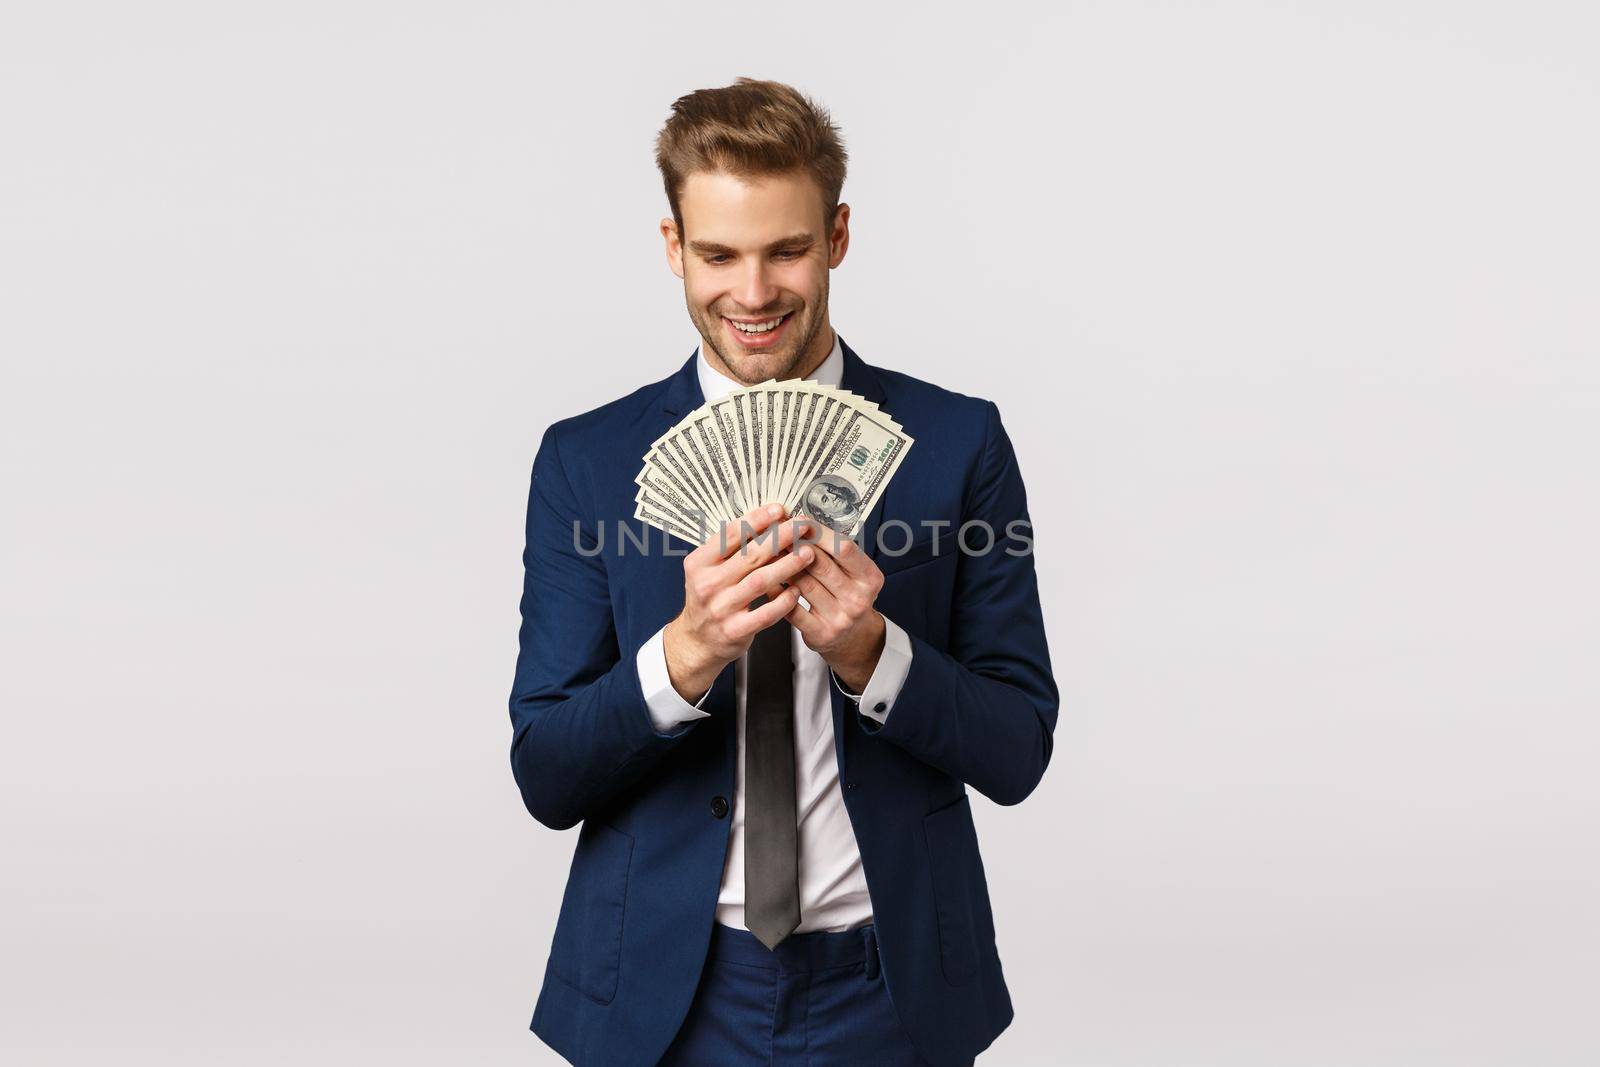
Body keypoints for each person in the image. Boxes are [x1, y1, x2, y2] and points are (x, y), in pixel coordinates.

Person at [507, 77, 1058, 1067]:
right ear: (673, 247)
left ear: (837, 235)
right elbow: (545, 770)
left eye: (786, 250)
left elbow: (1019, 747)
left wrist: (874, 654)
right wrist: (683, 655)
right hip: (660, 989)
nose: (753, 294)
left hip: (893, 987)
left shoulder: (953, 444)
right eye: (717, 253)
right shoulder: (583, 463)